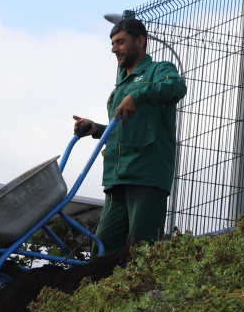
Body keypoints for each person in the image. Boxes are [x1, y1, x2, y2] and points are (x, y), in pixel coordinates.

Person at [73, 15, 186, 251]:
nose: (114, 49)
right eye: (113, 43)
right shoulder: (121, 85)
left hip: (146, 175)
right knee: (101, 251)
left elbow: (176, 87)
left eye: (120, 42)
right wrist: (96, 129)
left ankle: (144, 288)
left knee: (141, 249)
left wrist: (140, 95)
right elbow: (123, 130)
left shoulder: (159, 70)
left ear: (141, 41)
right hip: (117, 179)